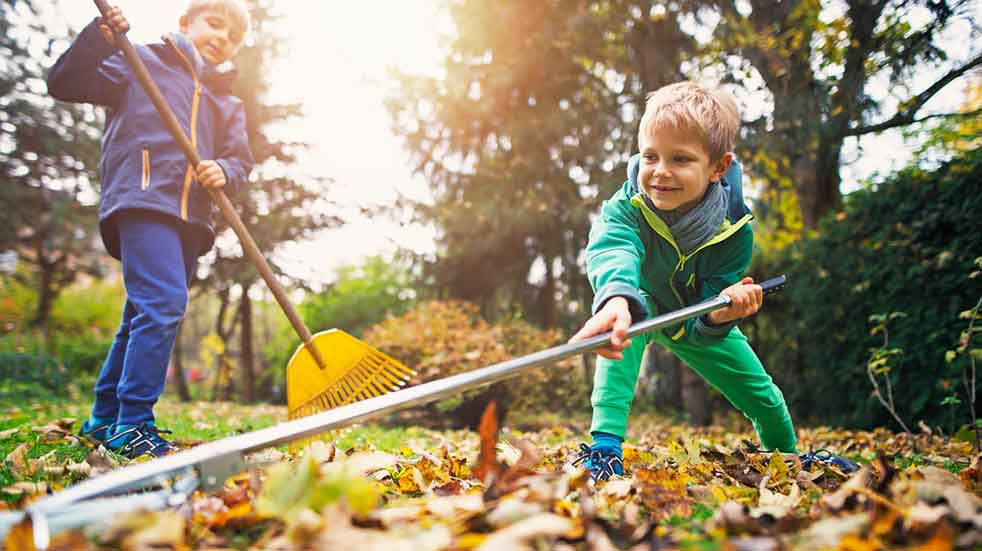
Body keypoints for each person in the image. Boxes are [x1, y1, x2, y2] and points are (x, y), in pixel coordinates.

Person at [569, 82, 857, 481]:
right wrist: (617, 298)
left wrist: (722, 314)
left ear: (718, 167)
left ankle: (787, 458)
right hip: (640, 302)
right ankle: (604, 449)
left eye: (681, 159)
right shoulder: (626, 206)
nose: (660, 171)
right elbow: (614, 248)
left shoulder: (735, 232)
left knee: (765, 397)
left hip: (695, 318)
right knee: (622, 333)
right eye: (650, 156)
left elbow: (707, 317)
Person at [47, 0, 254, 459]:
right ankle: (133, 423)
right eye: (213, 24)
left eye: (233, 36)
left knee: (141, 314)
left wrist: (224, 169)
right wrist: (97, 39)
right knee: (163, 304)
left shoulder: (227, 101)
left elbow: (241, 161)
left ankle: (104, 419)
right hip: (142, 198)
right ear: (186, 23)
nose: (221, 38)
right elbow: (65, 83)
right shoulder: (140, 61)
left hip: (192, 219)